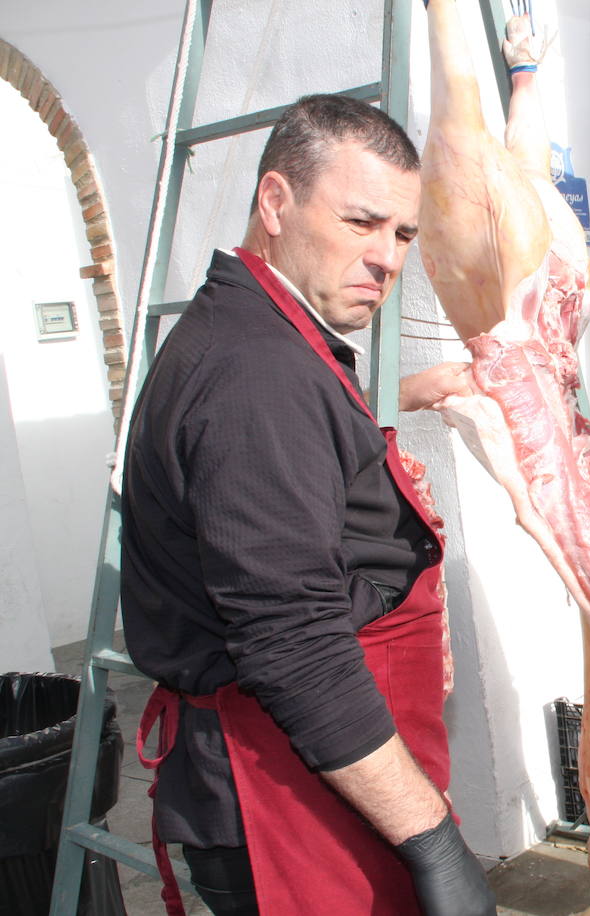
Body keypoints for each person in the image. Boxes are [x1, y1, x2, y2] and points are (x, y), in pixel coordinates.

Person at [121, 93, 495, 916]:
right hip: (284, 799)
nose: (386, 259)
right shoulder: (255, 372)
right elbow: (293, 645)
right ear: (276, 202)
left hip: (323, 780)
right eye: (362, 223)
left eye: (401, 235)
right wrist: (432, 840)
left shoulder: (271, 333)